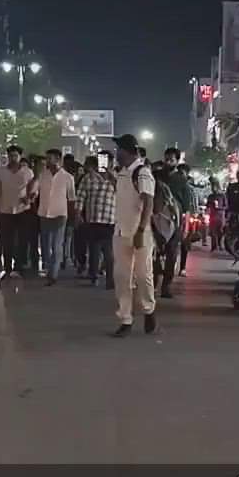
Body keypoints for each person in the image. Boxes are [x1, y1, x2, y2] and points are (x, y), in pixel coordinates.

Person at [110, 134, 157, 337]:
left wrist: (140, 230)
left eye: (118, 150)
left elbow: (149, 203)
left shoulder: (142, 172)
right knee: (122, 277)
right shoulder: (121, 173)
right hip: (120, 232)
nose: (116, 153)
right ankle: (125, 319)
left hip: (139, 234)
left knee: (142, 275)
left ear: (127, 151)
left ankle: (149, 310)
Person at [156, 148, 193, 298]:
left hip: (175, 222)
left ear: (177, 161)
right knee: (154, 252)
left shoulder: (182, 180)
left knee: (172, 253)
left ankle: (166, 285)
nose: (168, 162)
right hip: (155, 220)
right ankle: (154, 279)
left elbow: (187, 208)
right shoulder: (156, 176)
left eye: (171, 159)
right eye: (167, 159)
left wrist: (186, 228)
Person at [36, 148, 76, 286]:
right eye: (47, 158)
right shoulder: (43, 175)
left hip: (60, 214)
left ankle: (54, 273)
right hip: (44, 213)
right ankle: (48, 267)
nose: (47, 161)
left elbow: (71, 199)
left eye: (50, 158)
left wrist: (72, 216)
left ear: (58, 159)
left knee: (56, 244)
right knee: (45, 245)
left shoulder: (68, 177)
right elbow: (34, 191)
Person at [76, 152, 116, 288]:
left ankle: (110, 279)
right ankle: (93, 275)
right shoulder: (88, 177)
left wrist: (112, 176)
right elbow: (81, 196)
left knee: (109, 251)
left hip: (110, 220)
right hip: (92, 219)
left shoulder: (117, 178)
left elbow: (123, 194)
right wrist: (78, 214)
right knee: (94, 248)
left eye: (107, 161)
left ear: (111, 162)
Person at [0, 145, 34, 277]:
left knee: (22, 240)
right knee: (7, 240)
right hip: (5, 210)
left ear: (20, 156)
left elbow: (33, 189)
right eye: (11, 156)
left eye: (15, 156)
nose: (13, 158)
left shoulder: (27, 172)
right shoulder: (0, 172)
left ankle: (19, 266)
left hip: (23, 210)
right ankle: (7, 267)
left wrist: (29, 198)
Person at [176, 162, 196, 276]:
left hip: (186, 218)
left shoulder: (190, 189)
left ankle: (182, 267)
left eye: (182, 173)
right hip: (173, 217)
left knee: (185, 244)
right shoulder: (172, 186)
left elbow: (193, 205)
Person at [206, 178, 226, 252]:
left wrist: (219, 207)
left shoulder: (222, 195)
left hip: (220, 216)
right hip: (213, 216)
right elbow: (207, 205)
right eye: (212, 187)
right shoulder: (210, 196)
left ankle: (220, 244)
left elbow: (226, 206)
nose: (213, 188)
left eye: (214, 187)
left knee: (220, 231)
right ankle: (214, 246)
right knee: (213, 232)